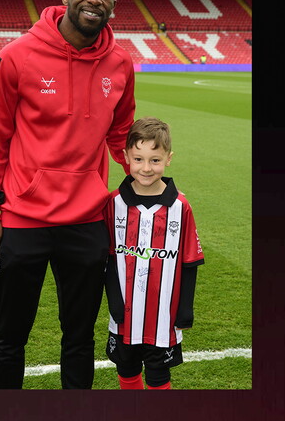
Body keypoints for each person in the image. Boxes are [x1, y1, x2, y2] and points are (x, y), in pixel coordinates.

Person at [0, 0, 136, 389]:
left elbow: (121, 135)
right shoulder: (16, 56)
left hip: (86, 223)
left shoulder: (120, 64)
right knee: (9, 338)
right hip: (24, 220)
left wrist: (145, 182)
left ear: (114, 4)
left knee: (79, 340)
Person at [103, 117, 204, 390]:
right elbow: (109, 259)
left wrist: (185, 309)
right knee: (127, 370)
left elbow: (191, 261)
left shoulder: (181, 207)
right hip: (124, 316)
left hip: (164, 318)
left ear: (168, 159)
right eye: (138, 159)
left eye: (155, 160)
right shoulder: (113, 204)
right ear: (126, 157)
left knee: (159, 376)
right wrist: (114, 301)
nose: (146, 168)